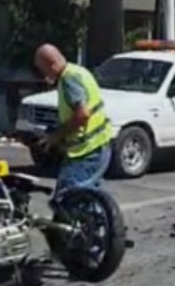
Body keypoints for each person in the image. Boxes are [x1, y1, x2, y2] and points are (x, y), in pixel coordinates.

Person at [32, 44, 114, 200]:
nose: (43, 76)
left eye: (43, 70)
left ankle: (85, 222)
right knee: (86, 197)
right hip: (99, 146)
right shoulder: (78, 71)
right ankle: (102, 222)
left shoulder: (68, 79)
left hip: (88, 151)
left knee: (66, 197)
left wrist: (57, 135)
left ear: (52, 64)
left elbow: (82, 115)